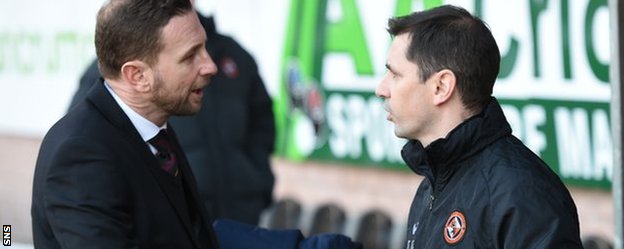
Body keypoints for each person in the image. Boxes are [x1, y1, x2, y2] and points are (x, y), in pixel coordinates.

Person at [376, 5, 583, 248]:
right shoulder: (431, 186)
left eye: (395, 74)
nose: (381, 89)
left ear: (441, 87)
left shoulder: (523, 194)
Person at [31, 0, 220, 248]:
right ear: (138, 76)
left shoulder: (153, 128)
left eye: (204, 47)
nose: (210, 66)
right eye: (189, 56)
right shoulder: (82, 156)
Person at [68, 10, 276, 225]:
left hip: (240, 216)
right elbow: (85, 137)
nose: (208, 67)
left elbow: (262, 124)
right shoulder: (117, 66)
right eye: (188, 57)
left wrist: (257, 181)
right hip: (175, 224)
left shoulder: (234, 55)